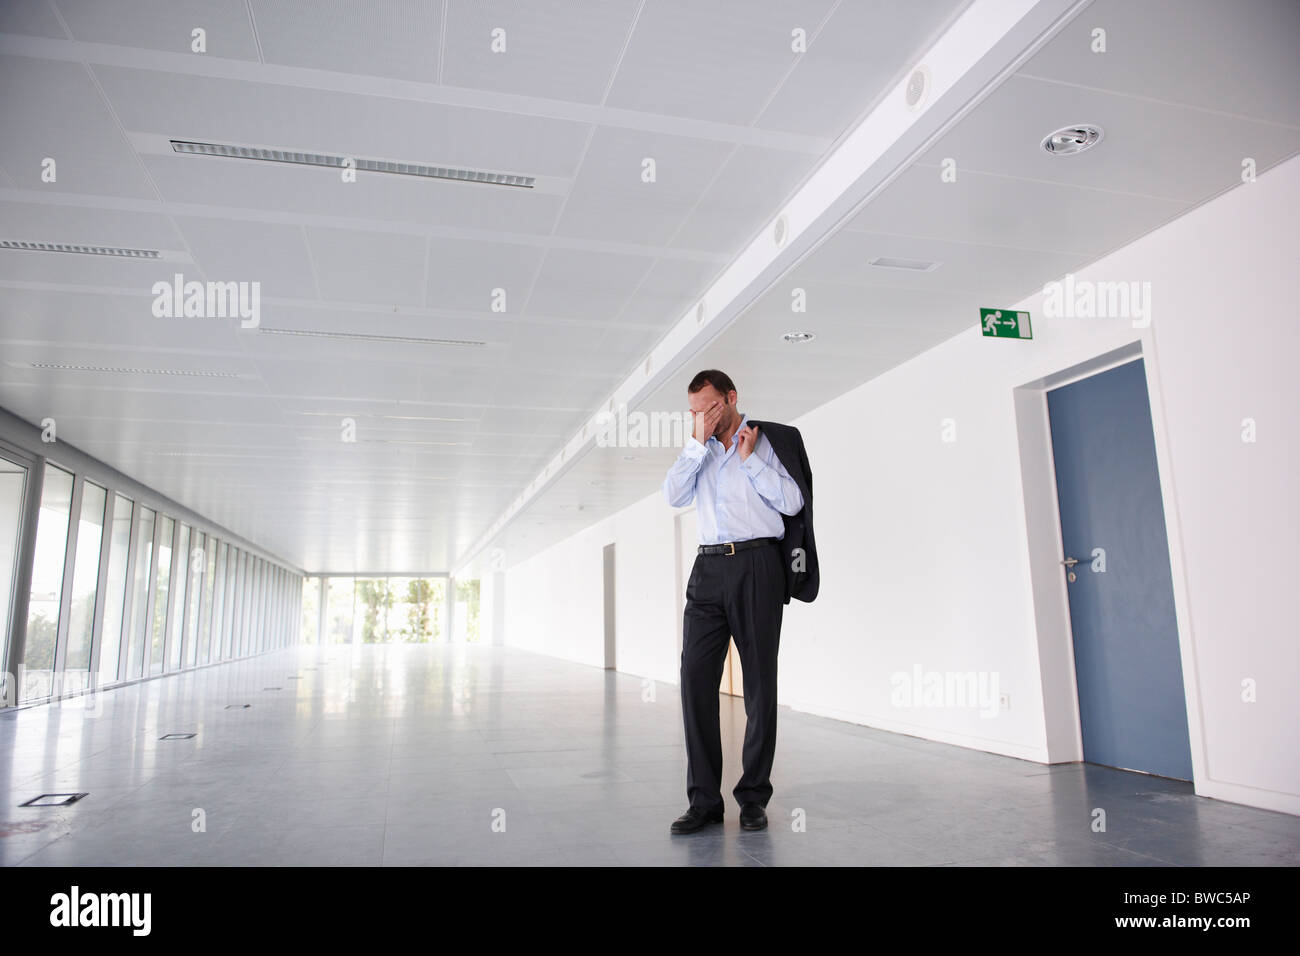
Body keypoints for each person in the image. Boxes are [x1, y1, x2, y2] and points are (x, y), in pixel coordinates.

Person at [661, 369, 817, 833]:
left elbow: (792, 503)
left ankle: (753, 797)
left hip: (757, 565)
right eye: (694, 410)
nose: (703, 416)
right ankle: (704, 801)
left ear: (731, 398)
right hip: (708, 568)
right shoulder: (698, 452)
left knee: (759, 686)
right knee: (693, 681)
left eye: (709, 407)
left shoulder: (769, 442)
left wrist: (750, 461)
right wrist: (696, 442)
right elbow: (673, 495)